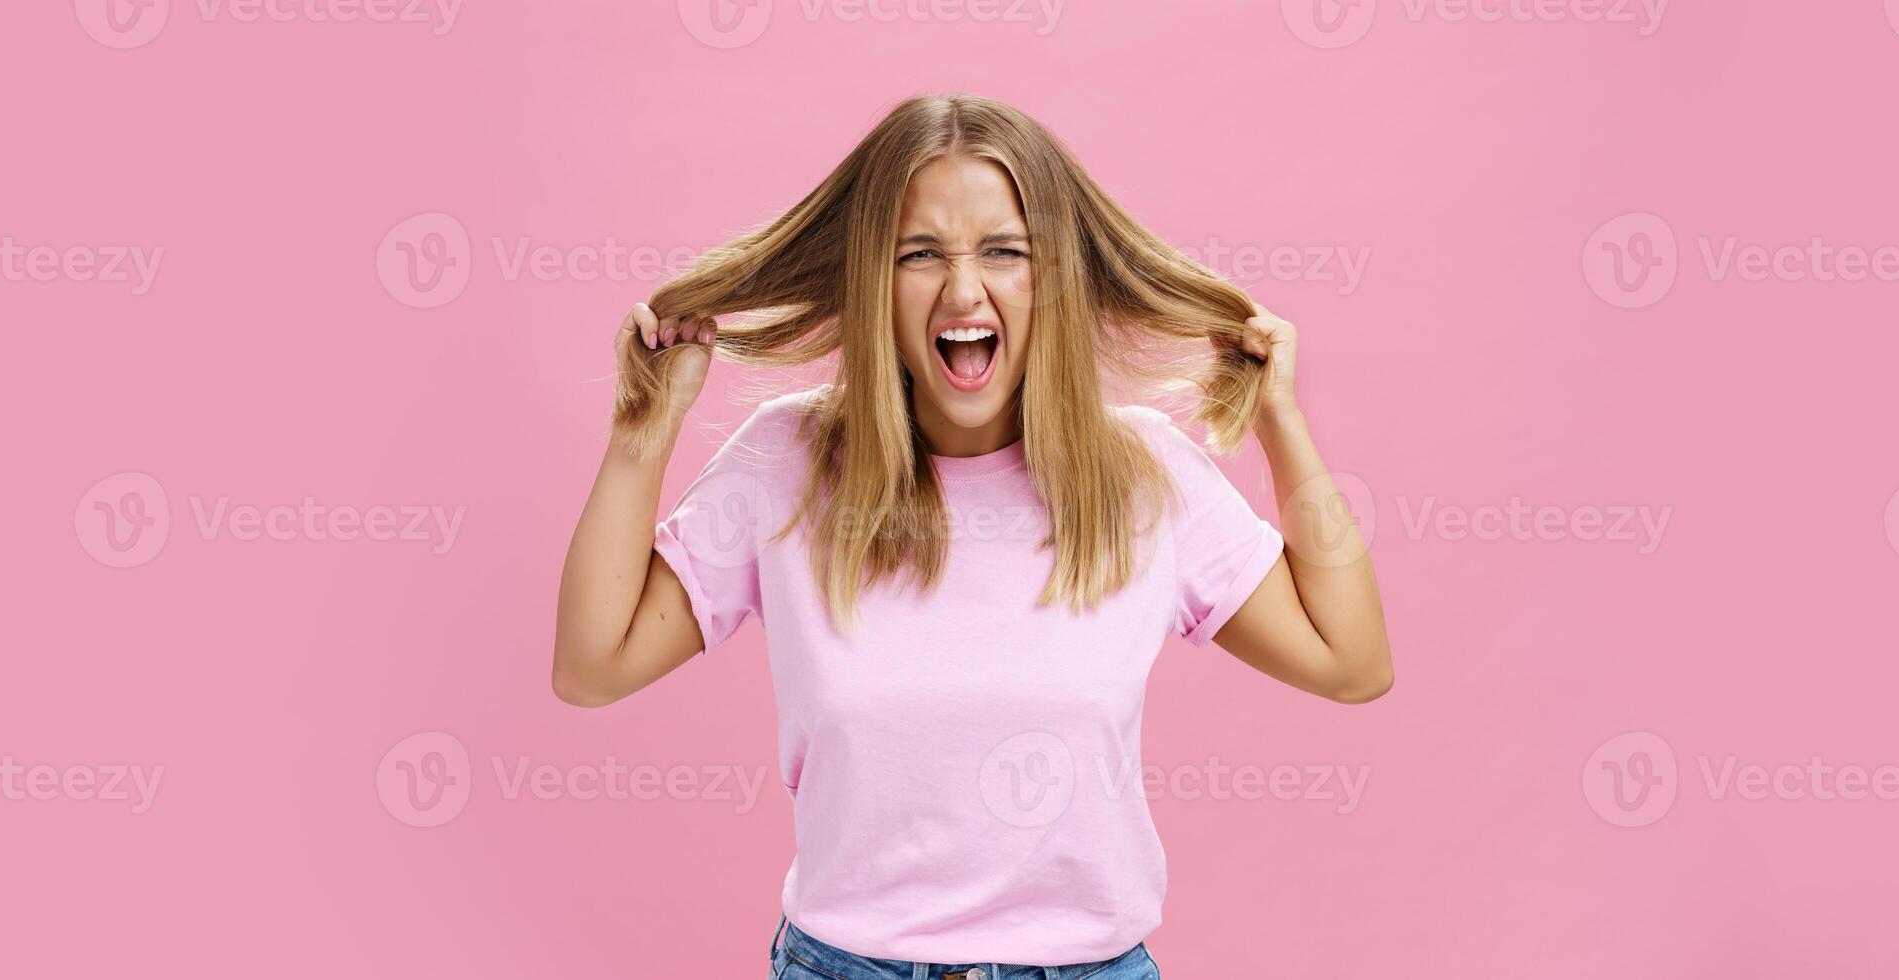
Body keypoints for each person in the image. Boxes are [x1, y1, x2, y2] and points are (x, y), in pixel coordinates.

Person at [552, 93, 1392, 979]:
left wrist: (1280, 424)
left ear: (1056, 274)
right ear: (873, 277)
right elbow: (592, 664)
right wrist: (642, 433)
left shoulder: (1148, 474)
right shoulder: (784, 464)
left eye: (1004, 251)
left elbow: (1352, 660)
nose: (963, 290)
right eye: (920, 254)